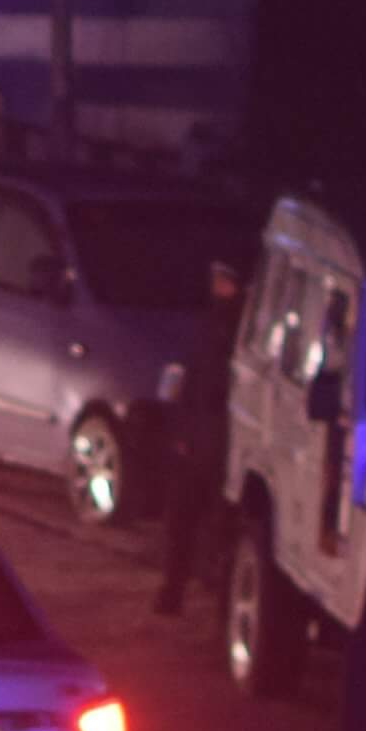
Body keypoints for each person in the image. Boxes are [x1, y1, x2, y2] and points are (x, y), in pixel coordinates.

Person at [152, 259, 246, 616]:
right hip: (196, 440)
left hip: (220, 444)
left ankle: (220, 599)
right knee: (181, 520)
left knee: (219, 529)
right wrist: (179, 430)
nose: (217, 285)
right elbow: (189, 380)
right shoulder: (208, 323)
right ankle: (173, 590)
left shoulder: (237, 327)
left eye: (224, 280)